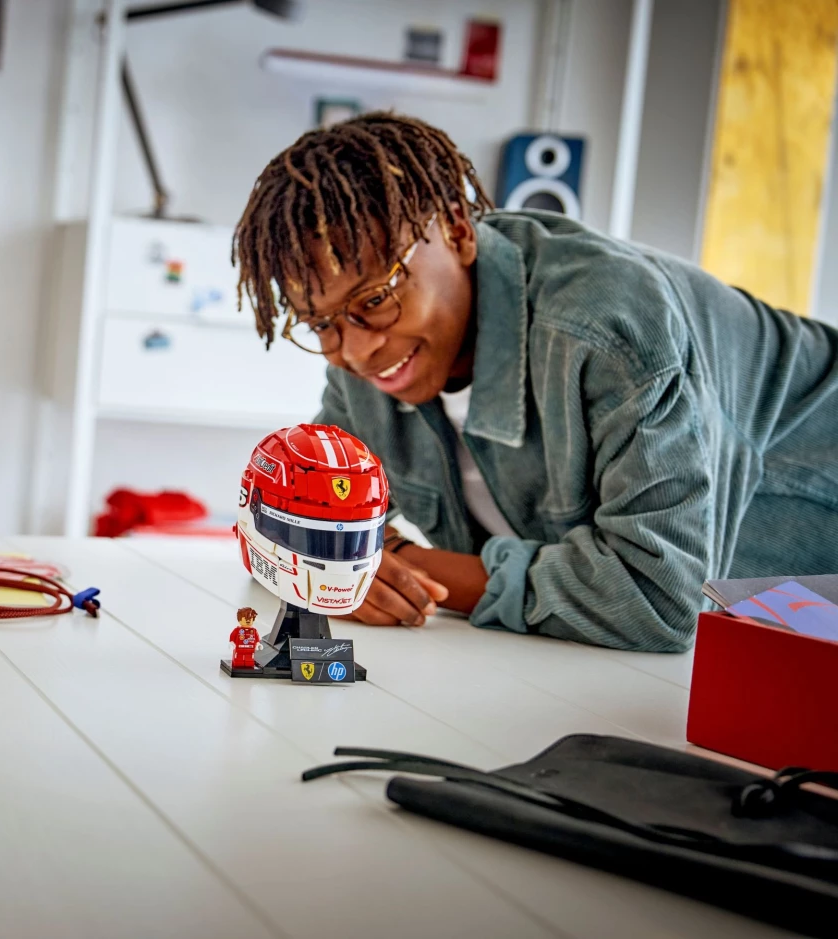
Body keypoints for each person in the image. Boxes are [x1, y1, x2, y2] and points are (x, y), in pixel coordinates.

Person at [231, 112, 838, 652]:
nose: (357, 351)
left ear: (457, 230)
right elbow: (293, 511)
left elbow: (656, 598)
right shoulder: (371, 356)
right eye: (322, 324)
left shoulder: (608, 326)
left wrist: (397, 566)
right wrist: (342, 563)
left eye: (377, 298)